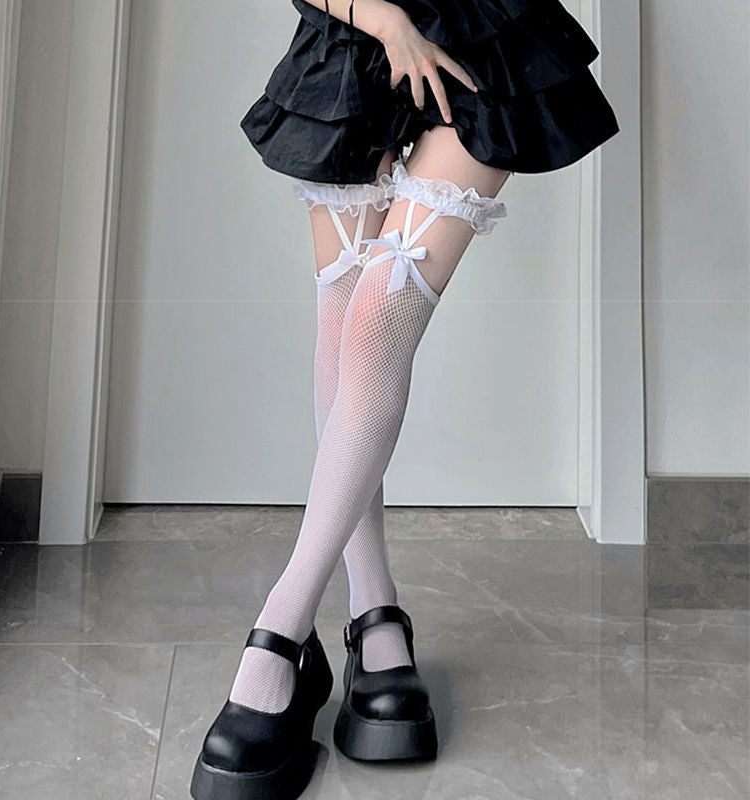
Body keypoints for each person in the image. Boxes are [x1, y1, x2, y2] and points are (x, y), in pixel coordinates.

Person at [191, 1, 620, 798]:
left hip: (479, 38)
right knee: (343, 320)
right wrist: (382, 17)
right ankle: (374, 610)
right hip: (354, 40)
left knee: (376, 324)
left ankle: (282, 627)